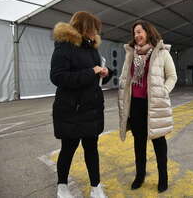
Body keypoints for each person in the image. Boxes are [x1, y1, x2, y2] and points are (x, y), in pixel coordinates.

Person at [50, 11, 112, 198]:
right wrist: (90, 72)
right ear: (83, 28)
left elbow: (94, 76)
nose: (96, 34)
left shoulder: (92, 48)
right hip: (71, 110)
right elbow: (57, 77)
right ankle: (62, 187)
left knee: (91, 149)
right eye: (93, 29)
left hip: (91, 109)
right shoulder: (64, 46)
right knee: (68, 149)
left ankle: (96, 187)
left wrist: (104, 73)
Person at [118, 20, 177, 193]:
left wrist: (164, 91)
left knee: (159, 142)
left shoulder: (161, 53)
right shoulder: (131, 55)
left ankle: (163, 177)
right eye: (135, 33)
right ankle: (140, 175)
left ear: (148, 32)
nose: (137, 36)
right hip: (136, 105)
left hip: (154, 104)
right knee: (139, 142)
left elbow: (172, 76)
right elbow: (125, 79)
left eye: (139, 32)